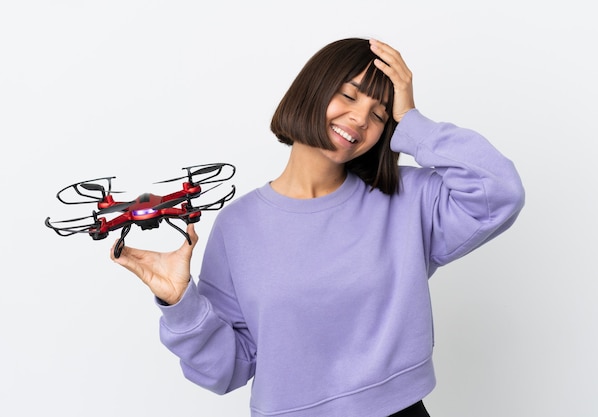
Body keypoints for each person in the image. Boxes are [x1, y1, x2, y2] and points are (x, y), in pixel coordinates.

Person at [111, 38, 525, 417]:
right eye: (348, 94)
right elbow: (227, 370)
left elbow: (499, 191)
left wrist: (412, 121)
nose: (361, 118)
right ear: (313, 88)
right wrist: (180, 302)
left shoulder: (405, 198)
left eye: (380, 115)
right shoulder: (239, 225)